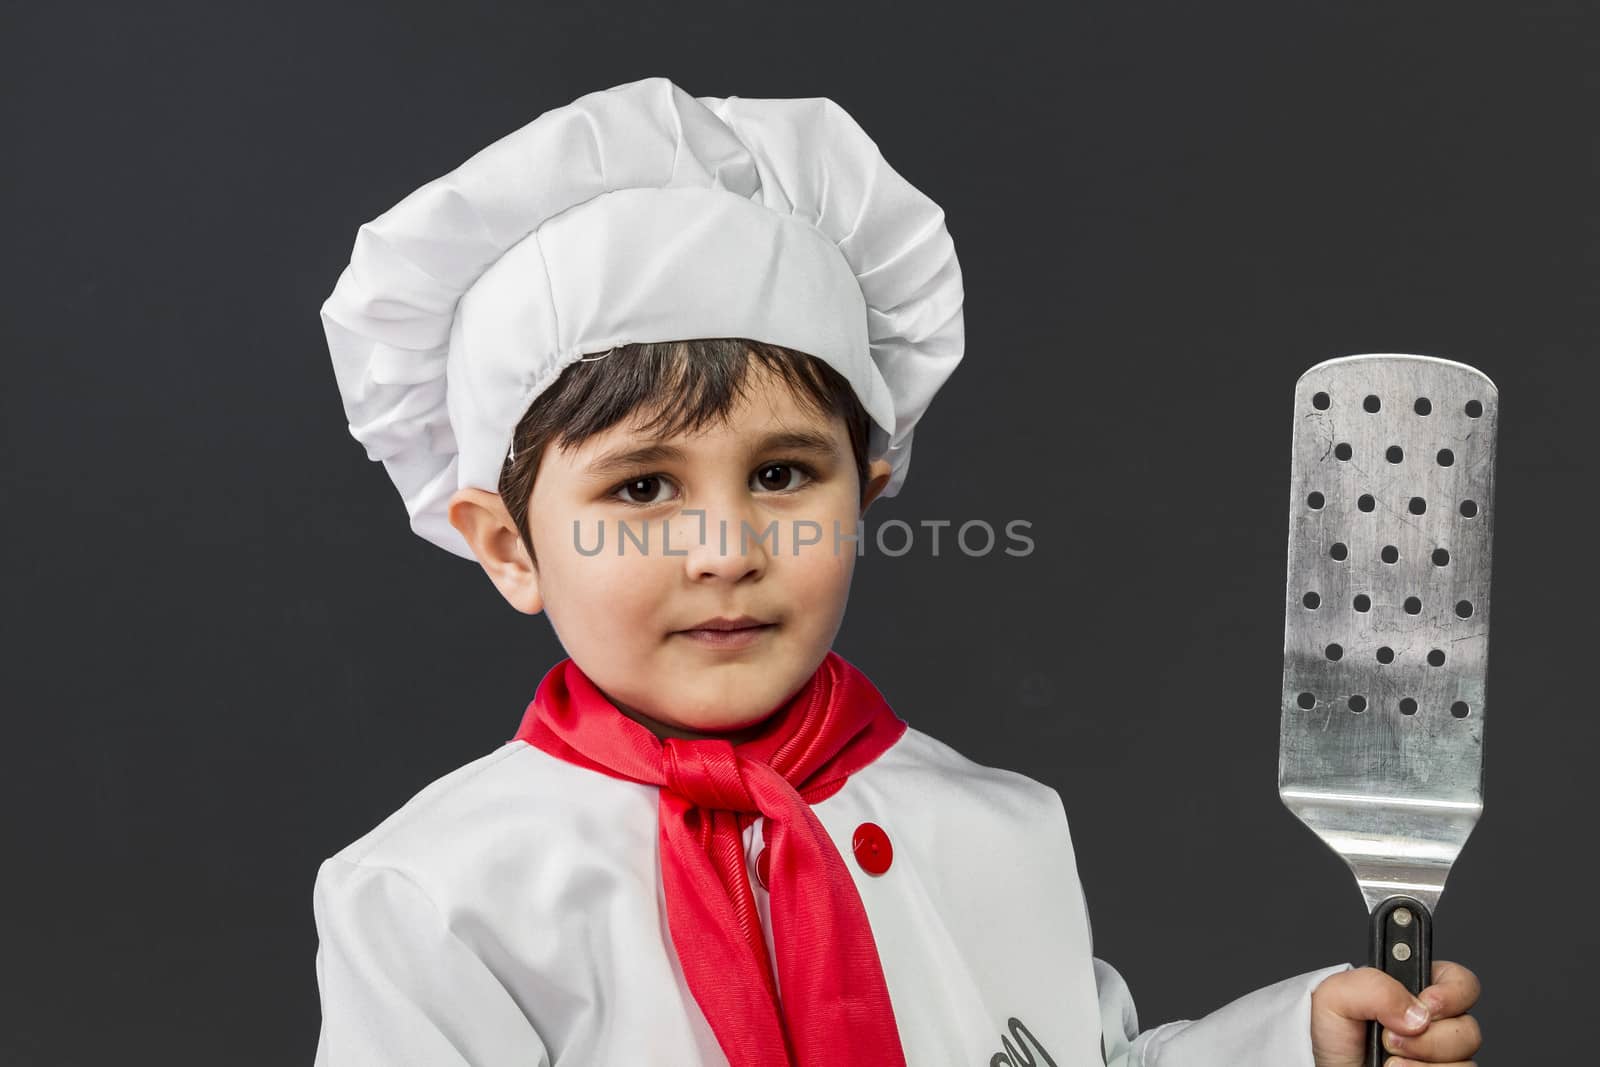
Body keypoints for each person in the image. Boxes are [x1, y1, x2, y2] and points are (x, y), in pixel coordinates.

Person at [313, 76, 1482, 1066]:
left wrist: (1297, 1040)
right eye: (640, 488)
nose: (726, 548)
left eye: (780, 475)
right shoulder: (436, 896)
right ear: (508, 544)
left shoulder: (992, 825)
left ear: (864, 493)